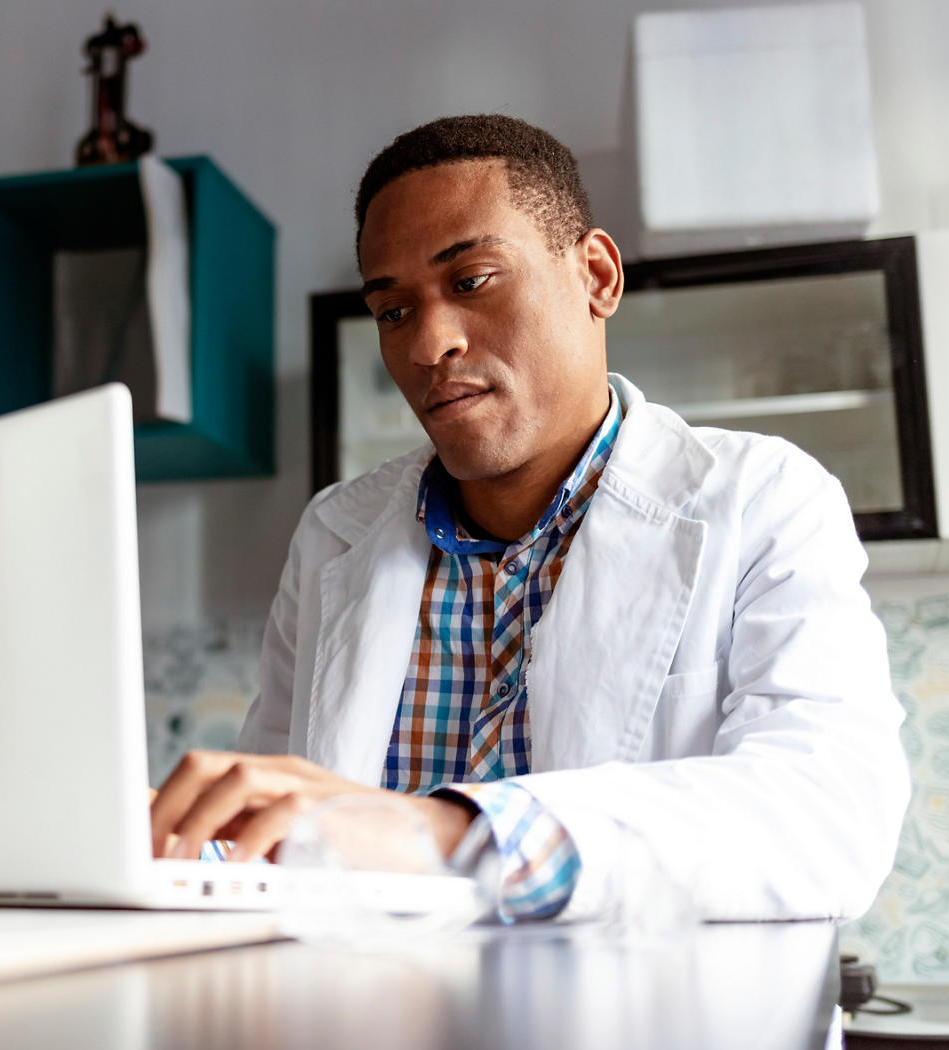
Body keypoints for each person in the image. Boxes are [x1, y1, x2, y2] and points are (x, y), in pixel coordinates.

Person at [148, 114, 908, 922]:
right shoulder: (334, 533)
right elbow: (278, 833)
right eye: (393, 311)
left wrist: (444, 833)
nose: (428, 343)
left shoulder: (766, 499)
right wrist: (162, 841)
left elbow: (825, 815)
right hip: (368, 1029)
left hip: (640, 1035)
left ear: (597, 277)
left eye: (472, 281)